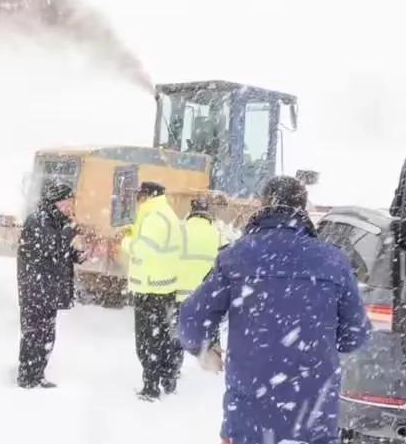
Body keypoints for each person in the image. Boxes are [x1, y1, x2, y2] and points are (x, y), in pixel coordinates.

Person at [178, 176, 371, 444]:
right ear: (303, 208)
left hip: (249, 419)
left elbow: (191, 319)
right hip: (314, 418)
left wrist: (204, 349)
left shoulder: (237, 256)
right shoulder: (334, 261)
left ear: (263, 205)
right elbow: (356, 334)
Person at [120, 181, 183, 400]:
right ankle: (168, 379)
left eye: (139, 195)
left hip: (149, 286)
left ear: (146, 195)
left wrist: (126, 241)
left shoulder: (154, 217)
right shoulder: (167, 213)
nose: (137, 200)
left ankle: (150, 387)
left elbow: (143, 250)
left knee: (148, 341)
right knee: (164, 336)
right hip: (164, 286)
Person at [16, 181, 82, 389]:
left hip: (50, 290)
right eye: (67, 202)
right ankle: (27, 376)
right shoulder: (37, 220)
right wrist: (69, 233)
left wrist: (77, 255)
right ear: (56, 202)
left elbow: (60, 252)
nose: (70, 207)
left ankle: (39, 373)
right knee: (33, 333)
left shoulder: (57, 222)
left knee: (47, 334)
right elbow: (45, 249)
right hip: (35, 290)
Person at [166, 195, 227, 384]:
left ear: (192, 211)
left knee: (175, 337)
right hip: (206, 297)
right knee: (208, 337)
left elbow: (168, 257)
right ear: (208, 213)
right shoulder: (218, 234)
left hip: (179, 292)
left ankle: (172, 372)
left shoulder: (179, 231)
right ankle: (213, 371)